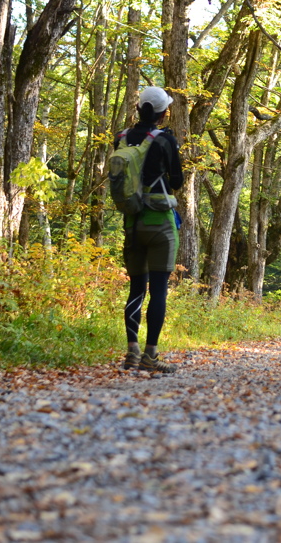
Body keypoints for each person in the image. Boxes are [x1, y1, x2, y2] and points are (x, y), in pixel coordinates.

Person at [115, 86, 184, 373]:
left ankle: (131, 352)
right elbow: (177, 181)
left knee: (135, 289)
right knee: (158, 291)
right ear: (163, 113)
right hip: (160, 225)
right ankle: (150, 355)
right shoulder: (166, 140)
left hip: (132, 222)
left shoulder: (122, 138)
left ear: (138, 109)